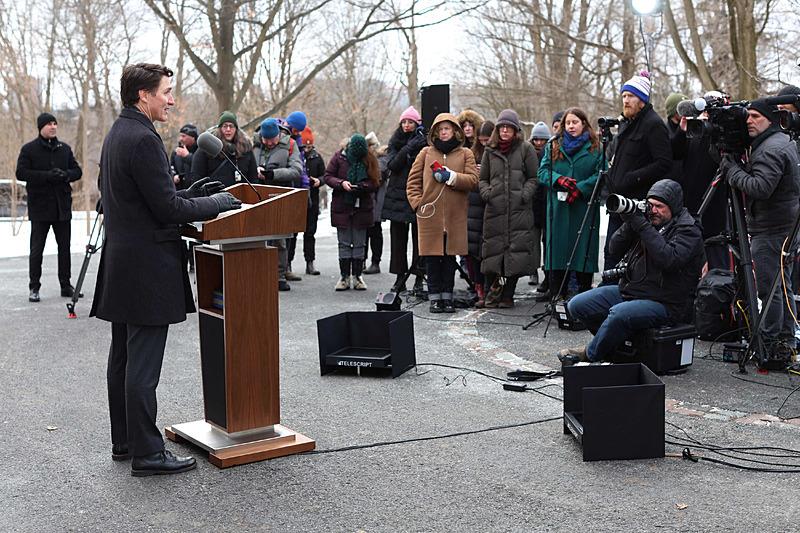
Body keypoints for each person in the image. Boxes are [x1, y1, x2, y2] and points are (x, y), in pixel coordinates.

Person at [91, 63, 241, 476]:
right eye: (167, 91)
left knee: (122, 357)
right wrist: (219, 203)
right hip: (145, 269)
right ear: (144, 95)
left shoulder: (119, 132)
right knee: (141, 365)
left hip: (123, 262)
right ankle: (148, 454)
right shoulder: (142, 138)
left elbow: (147, 197)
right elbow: (167, 210)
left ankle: (125, 441)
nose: (171, 99)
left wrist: (190, 193)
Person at [565, 179, 704, 362]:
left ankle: (591, 354)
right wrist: (630, 223)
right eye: (650, 205)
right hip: (632, 291)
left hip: (666, 302)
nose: (653, 210)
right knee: (577, 305)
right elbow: (614, 249)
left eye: (659, 206)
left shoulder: (689, 230)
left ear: (674, 207)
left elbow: (669, 259)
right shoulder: (647, 222)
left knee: (619, 313)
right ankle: (613, 345)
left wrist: (642, 226)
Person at [719, 99, 800, 361]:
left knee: (770, 287)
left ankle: (769, 343)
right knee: (782, 285)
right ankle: (785, 341)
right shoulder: (779, 142)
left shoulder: (769, 150)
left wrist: (732, 170)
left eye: (755, 116)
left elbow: (759, 188)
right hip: (784, 224)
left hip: (772, 228)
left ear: (771, 119)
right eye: (747, 116)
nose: (749, 121)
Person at [407, 113, 479, 312]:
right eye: (440, 129)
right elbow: (412, 183)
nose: (443, 132)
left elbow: (473, 180)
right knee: (432, 258)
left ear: (455, 130)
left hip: (455, 216)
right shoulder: (425, 153)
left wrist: (452, 176)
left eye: (447, 128)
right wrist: (417, 204)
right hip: (429, 215)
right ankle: (434, 298)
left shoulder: (466, 154)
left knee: (449, 258)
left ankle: (448, 297)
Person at [603, 70, 672, 274]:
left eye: (630, 96)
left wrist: (633, 177)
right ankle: (604, 297)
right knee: (611, 252)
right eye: (624, 96)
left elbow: (663, 163)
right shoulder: (627, 124)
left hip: (636, 204)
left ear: (642, 100)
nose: (625, 101)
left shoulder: (653, 124)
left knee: (627, 257)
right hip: (617, 202)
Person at [16, 112, 83, 302]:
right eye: (49, 124)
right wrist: (47, 176)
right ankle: (34, 287)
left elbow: (77, 171)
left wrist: (65, 174)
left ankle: (65, 285)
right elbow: (21, 173)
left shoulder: (65, 149)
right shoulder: (29, 149)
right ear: (41, 127)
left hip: (62, 207)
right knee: (37, 249)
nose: (53, 127)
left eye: (55, 123)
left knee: (64, 248)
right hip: (40, 208)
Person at [538, 108, 603, 300]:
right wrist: (558, 180)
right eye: (568, 123)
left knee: (582, 251)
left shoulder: (596, 147)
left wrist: (580, 188)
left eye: (575, 122)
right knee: (558, 251)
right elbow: (542, 172)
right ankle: (557, 296)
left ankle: (583, 299)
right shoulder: (553, 146)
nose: (571, 126)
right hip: (558, 210)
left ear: (584, 124)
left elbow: (602, 173)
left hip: (583, 209)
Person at [479, 109, 539, 308]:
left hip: (518, 211)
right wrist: (488, 193)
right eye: (502, 127)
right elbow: (483, 179)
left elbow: (533, 177)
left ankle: (508, 295)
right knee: (494, 253)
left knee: (514, 254)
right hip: (495, 210)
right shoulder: (489, 150)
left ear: (515, 130)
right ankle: (492, 293)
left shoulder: (526, 149)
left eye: (509, 127)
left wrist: (524, 194)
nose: (505, 131)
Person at [670, 93, 728, 270]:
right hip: (690, 200)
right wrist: (682, 130)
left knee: (713, 249)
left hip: (714, 203)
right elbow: (675, 152)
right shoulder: (696, 129)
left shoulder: (722, 132)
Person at [252, 117, 304, 291]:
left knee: (279, 238)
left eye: (272, 140)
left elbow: (296, 170)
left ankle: (279, 275)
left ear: (278, 135)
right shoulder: (253, 144)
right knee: (257, 238)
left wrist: (272, 174)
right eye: (265, 140)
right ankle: (259, 274)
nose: (269, 143)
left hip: (279, 194)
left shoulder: (289, 144)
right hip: (256, 195)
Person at [324, 134, 380, 291]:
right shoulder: (339, 157)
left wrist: (363, 186)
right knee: (344, 243)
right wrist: (341, 183)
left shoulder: (370, 159)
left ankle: (357, 276)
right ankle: (344, 277)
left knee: (359, 243)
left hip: (362, 206)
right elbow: (328, 176)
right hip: (342, 205)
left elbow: (376, 181)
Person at [382, 106, 428, 293]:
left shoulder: (424, 141)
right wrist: (409, 147)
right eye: (404, 122)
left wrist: (418, 146)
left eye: (411, 122)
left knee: (420, 239)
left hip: (418, 192)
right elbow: (393, 164)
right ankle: (400, 277)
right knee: (398, 240)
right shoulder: (395, 141)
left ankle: (419, 276)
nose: (407, 125)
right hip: (397, 196)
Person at [191, 111, 258, 187]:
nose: (228, 129)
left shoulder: (246, 148)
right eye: (225, 126)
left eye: (231, 126)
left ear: (236, 129)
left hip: (241, 196)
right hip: (214, 196)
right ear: (219, 128)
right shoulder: (207, 147)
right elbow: (196, 176)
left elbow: (253, 177)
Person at [467, 120, 494, 307]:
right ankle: (479, 288)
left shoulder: (496, 153)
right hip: (473, 204)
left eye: (487, 139)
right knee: (473, 250)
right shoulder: (472, 152)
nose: (484, 143)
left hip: (490, 203)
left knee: (489, 250)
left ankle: (490, 287)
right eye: (481, 140)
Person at [282, 111, 311, 280]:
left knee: (292, 232)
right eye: (295, 130)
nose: (296, 133)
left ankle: (287, 265)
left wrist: (305, 186)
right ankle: (281, 266)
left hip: (296, 188)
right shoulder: (279, 137)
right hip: (284, 187)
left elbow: (301, 167)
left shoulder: (297, 141)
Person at [528, 121, 551, 288]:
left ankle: (547, 271)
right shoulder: (527, 153)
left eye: (542, 140)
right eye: (536, 139)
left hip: (546, 201)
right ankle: (532, 270)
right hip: (531, 202)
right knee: (532, 241)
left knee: (547, 240)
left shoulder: (550, 153)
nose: (539, 143)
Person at [300, 126, 325, 275]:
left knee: (310, 232)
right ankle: (288, 264)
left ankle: (310, 262)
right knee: (294, 233)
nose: (308, 149)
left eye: (310, 146)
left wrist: (319, 181)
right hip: (299, 198)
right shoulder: (297, 156)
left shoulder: (317, 157)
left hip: (313, 199)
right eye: (305, 146)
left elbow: (325, 175)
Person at [363, 131, 386, 275]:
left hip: (376, 200)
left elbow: (378, 176)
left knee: (375, 232)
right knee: (365, 232)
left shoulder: (381, 160)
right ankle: (363, 260)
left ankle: (375, 262)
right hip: (367, 200)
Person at [170, 123, 198, 190]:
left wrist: (187, 156)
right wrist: (173, 176)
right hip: (180, 191)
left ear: (193, 137)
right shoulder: (176, 152)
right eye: (180, 136)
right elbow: (170, 167)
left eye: (183, 136)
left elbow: (200, 167)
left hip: (195, 190)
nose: (180, 139)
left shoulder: (200, 150)